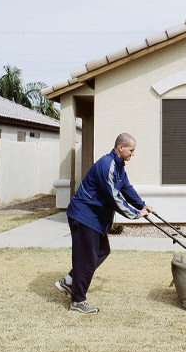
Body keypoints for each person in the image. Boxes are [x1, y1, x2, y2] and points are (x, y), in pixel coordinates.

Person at [55, 132, 152, 314]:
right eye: (131, 150)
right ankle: (77, 301)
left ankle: (69, 282)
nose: (133, 154)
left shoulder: (119, 166)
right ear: (120, 147)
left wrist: (142, 205)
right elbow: (114, 197)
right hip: (84, 216)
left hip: (94, 218)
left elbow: (126, 188)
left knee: (101, 251)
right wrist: (135, 214)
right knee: (87, 258)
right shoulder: (106, 165)